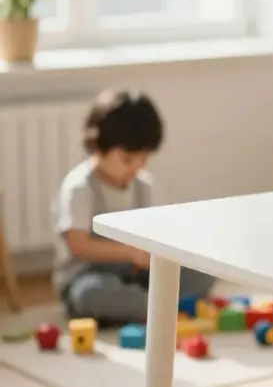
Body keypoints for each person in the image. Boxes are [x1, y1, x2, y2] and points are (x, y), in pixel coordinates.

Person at [52, 89, 217, 327]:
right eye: (127, 160)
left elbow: (158, 233)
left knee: (204, 271)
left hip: (137, 275)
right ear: (97, 146)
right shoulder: (79, 187)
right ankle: (162, 307)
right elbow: (78, 246)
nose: (136, 168)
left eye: (144, 159)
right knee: (90, 293)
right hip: (88, 275)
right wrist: (129, 252)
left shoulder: (144, 186)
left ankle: (149, 307)